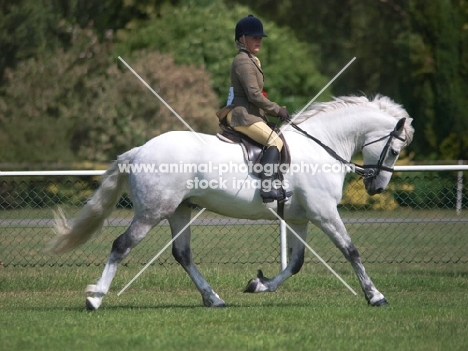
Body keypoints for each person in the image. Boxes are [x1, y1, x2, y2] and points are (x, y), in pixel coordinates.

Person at [217, 14, 292, 203]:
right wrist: (276, 110)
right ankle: (267, 189)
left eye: (260, 38)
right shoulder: (242, 61)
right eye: (254, 37)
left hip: (252, 114)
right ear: (242, 39)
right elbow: (253, 95)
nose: (258, 41)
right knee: (275, 141)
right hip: (243, 116)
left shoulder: (252, 59)